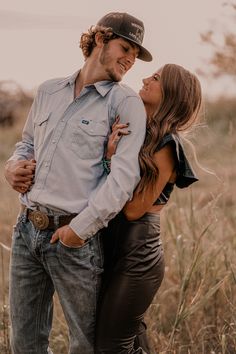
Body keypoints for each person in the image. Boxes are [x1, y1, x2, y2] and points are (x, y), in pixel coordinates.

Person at [4, 12, 153, 354]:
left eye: (135, 54)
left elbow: (124, 178)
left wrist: (80, 230)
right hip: (26, 231)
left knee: (84, 346)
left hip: (75, 240)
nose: (130, 59)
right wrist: (12, 167)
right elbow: (26, 143)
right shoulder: (48, 90)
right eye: (125, 47)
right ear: (100, 39)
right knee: (24, 343)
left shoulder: (125, 103)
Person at [95, 63, 202, 353]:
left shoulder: (168, 146)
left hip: (138, 254)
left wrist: (112, 159)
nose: (144, 79)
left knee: (111, 347)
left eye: (155, 78)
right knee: (126, 339)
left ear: (172, 94)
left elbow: (133, 210)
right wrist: (109, 155)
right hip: (114, 245)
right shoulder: (138, 133)